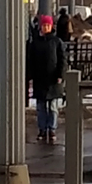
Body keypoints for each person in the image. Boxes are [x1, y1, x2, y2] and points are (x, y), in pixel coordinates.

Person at [26, 14, 65, 143]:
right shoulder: (35, 43)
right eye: (44, 26)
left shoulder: (56, 42)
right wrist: (30, 76)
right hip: (40, 80)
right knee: (41, 107)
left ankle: (52, 129)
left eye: (48, 25)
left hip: (53, 80)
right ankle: (42, 129)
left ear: (51, 26)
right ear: (40, 27)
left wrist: (60, 75)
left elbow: (62, 60)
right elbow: (30, 61)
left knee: (53, 107)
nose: (46, 28)